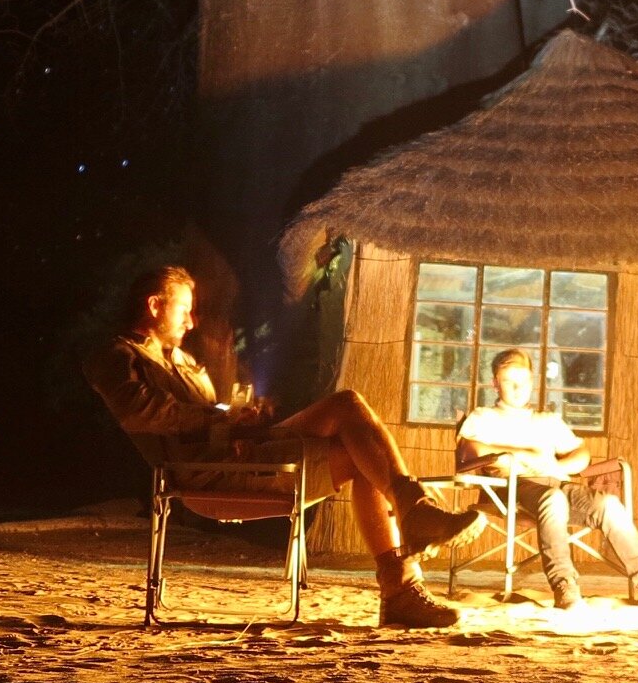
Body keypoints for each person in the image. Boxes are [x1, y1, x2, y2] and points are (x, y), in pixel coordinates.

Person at [84, 265, 485, 629]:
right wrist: (220, 419)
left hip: (241, 452)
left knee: (350, 410)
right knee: (353, 427)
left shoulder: (182, 359)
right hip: (211, 474)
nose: (191, 320)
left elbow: (208, 412)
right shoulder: (118, 356)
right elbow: (143, 413)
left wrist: (241, 416)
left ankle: (409, 542)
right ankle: (404, 567)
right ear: (155, 305)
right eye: (183, 309)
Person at [455, 348, 638, 610]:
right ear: (495, 384)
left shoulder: (547, 420)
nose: (517, 388)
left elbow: (581, 452)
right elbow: (472, 452)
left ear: (533, 382)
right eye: (508, 381)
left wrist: (558, 465)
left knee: (608, 505)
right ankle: (565, 586)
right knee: (554, 499)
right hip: (513, 487)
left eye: (523, 381)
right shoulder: (484, 417)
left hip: (557, 483)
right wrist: (528, 456)